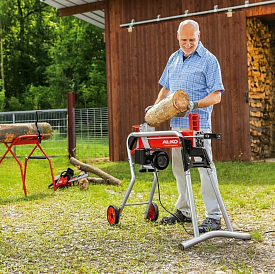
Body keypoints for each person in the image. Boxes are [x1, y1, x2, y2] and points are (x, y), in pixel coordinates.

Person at [147, 20, 224, 232]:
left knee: (205, 169)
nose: (188, 44)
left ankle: (214, 216)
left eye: (192, 39)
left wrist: (193, 104)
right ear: (177, 36)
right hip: (176, 127)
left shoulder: (209, 61)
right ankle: (185, 210)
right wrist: (153, 111)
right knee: (179, 168)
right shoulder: (173, 58)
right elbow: (165, 91)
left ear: (199, 36)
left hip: (198, 126)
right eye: (184, 40)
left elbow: (216, 96)